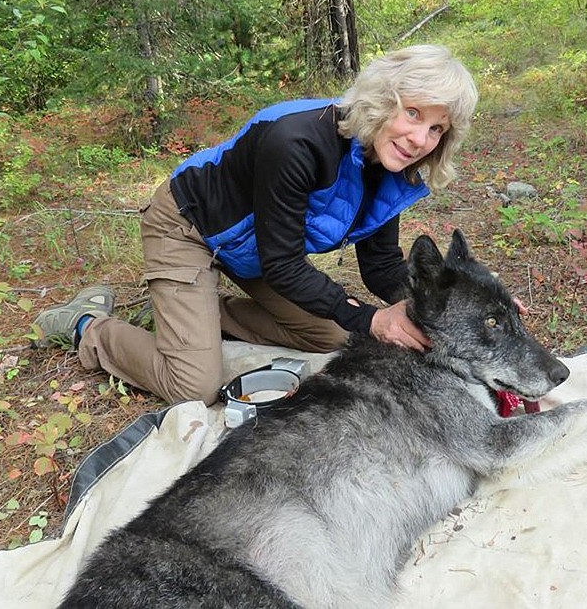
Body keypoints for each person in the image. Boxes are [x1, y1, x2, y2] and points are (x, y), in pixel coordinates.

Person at [34, 44, 479, 406]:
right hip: (188, 226)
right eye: (414, 113)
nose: (421, 139)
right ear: (384, 101)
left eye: (438, 129)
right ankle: (86, 325)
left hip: (255, 248)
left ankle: (195, 316)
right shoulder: (298, 141)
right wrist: (371, 317)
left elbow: (381, 265)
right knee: (193, 387)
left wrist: (457, 307)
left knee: (337, 336)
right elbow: (284, 263)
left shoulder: (391, 163)